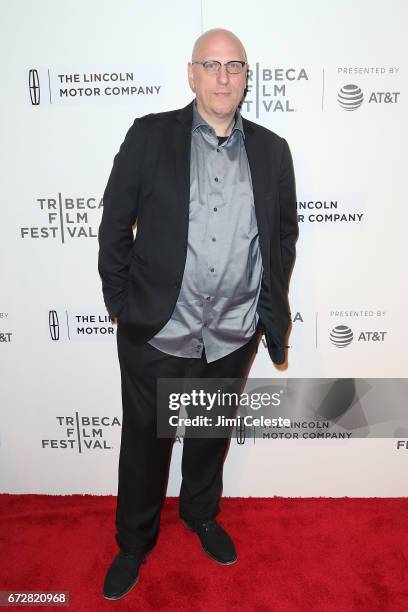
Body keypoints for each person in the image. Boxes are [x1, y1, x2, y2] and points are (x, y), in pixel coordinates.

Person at [98, 28, 298, 600]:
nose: (222, 77)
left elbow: (283, 237)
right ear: (191, 75)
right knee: (144, 443)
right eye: (211, 66)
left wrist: (266, 313)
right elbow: (114, 230)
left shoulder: (272, 150)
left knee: (209, 436)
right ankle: (134, 543)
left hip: (233, 333)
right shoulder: (149, 137)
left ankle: (200, 514)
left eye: (234, 67)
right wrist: (123, 308)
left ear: (245, 78)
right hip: (159, 332)